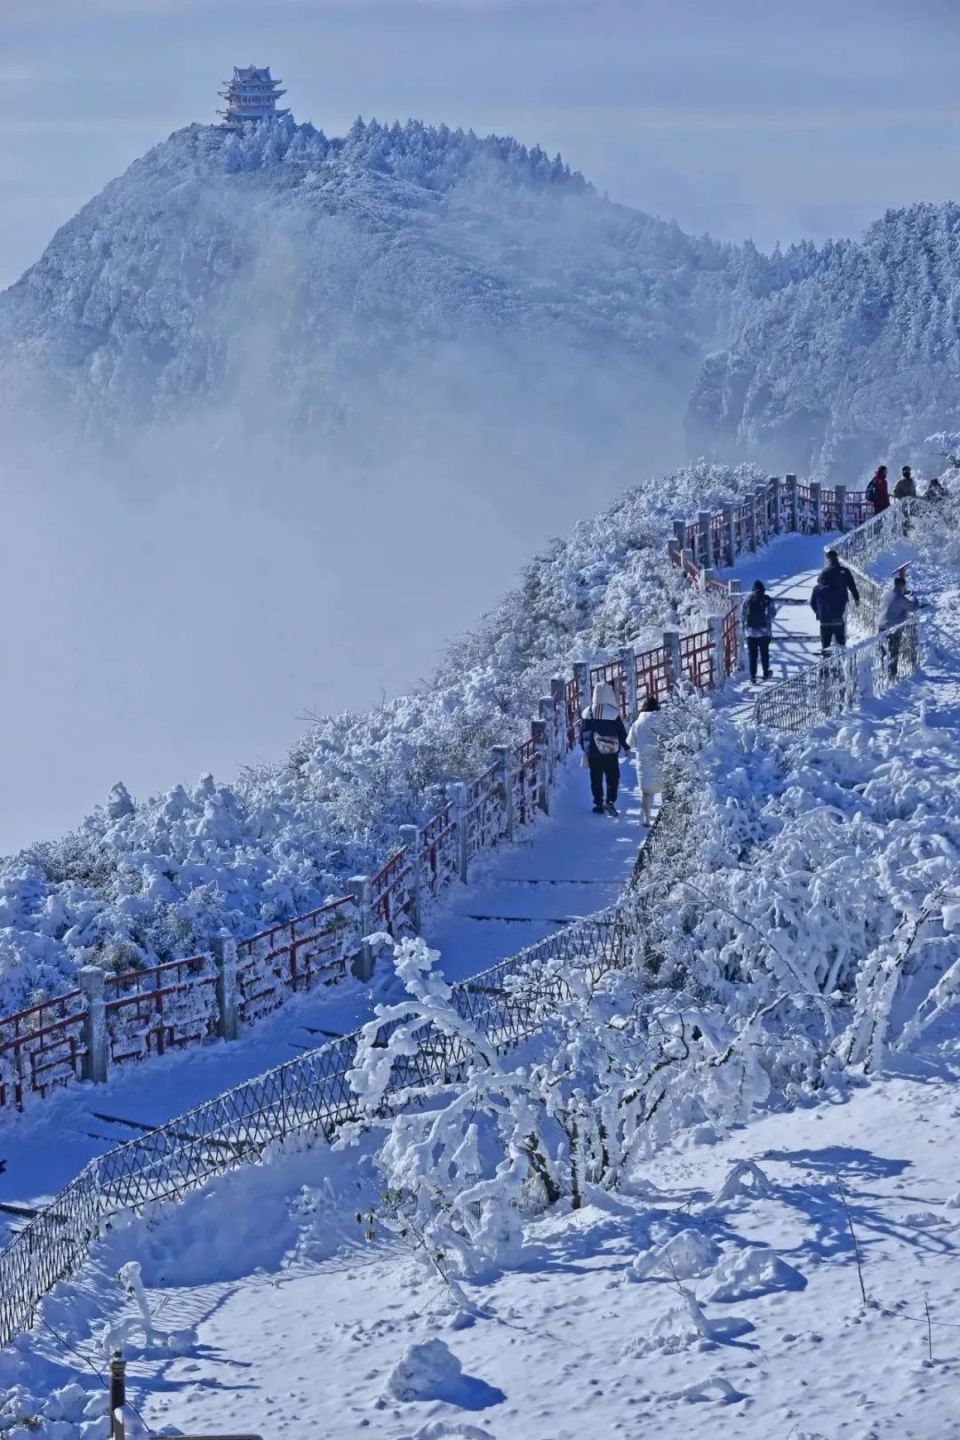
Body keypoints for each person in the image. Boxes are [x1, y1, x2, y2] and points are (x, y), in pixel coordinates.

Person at [580, 681, 631, 816]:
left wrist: (585, 748)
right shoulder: (613, 713)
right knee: (612, 776)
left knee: (595, 778)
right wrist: (626, 747)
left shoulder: (587, 712)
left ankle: (598, 803)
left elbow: (582, 733)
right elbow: (621, 733)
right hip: (609, 752)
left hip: (593, 752)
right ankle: (610, 801)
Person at [810, 548, 860, 653]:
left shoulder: (825, 572)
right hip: (842, 604)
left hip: (825, 615)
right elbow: (852, 585)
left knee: (826, 638)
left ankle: (827, 656)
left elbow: (813, 601)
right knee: (841, 627)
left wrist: (819, 612)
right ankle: (840, 650)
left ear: (828, 559)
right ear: (837, 558)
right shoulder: (845, 571)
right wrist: (856, 598)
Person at [626, 694, 662, 825]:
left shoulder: (638, 723)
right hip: (661, 761)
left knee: (646, 793)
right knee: (665, 790)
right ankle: (663, 819)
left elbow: (630, 743)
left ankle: (646, 819)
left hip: (644, 763)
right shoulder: (664, 720)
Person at [878, 573, 919, 678]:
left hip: (881, 627)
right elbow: (913, 607)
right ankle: (892, 675)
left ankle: (883, 674)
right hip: (892, 629)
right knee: (893, 652)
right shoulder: (899, 598)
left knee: (884, 653)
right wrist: (914, 597)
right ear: (902, 586)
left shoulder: (885, 594)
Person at [741, 579, 778, 683]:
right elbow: (773, 613)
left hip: (750, 633)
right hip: (764, 632)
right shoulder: (767, 599)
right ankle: (766, 672)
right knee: (764, 653)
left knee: (752, 655)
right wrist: (766, 620)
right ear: (763, 590)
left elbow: (742, 614)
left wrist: (744, 629)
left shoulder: (747, 599)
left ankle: (753, 676)